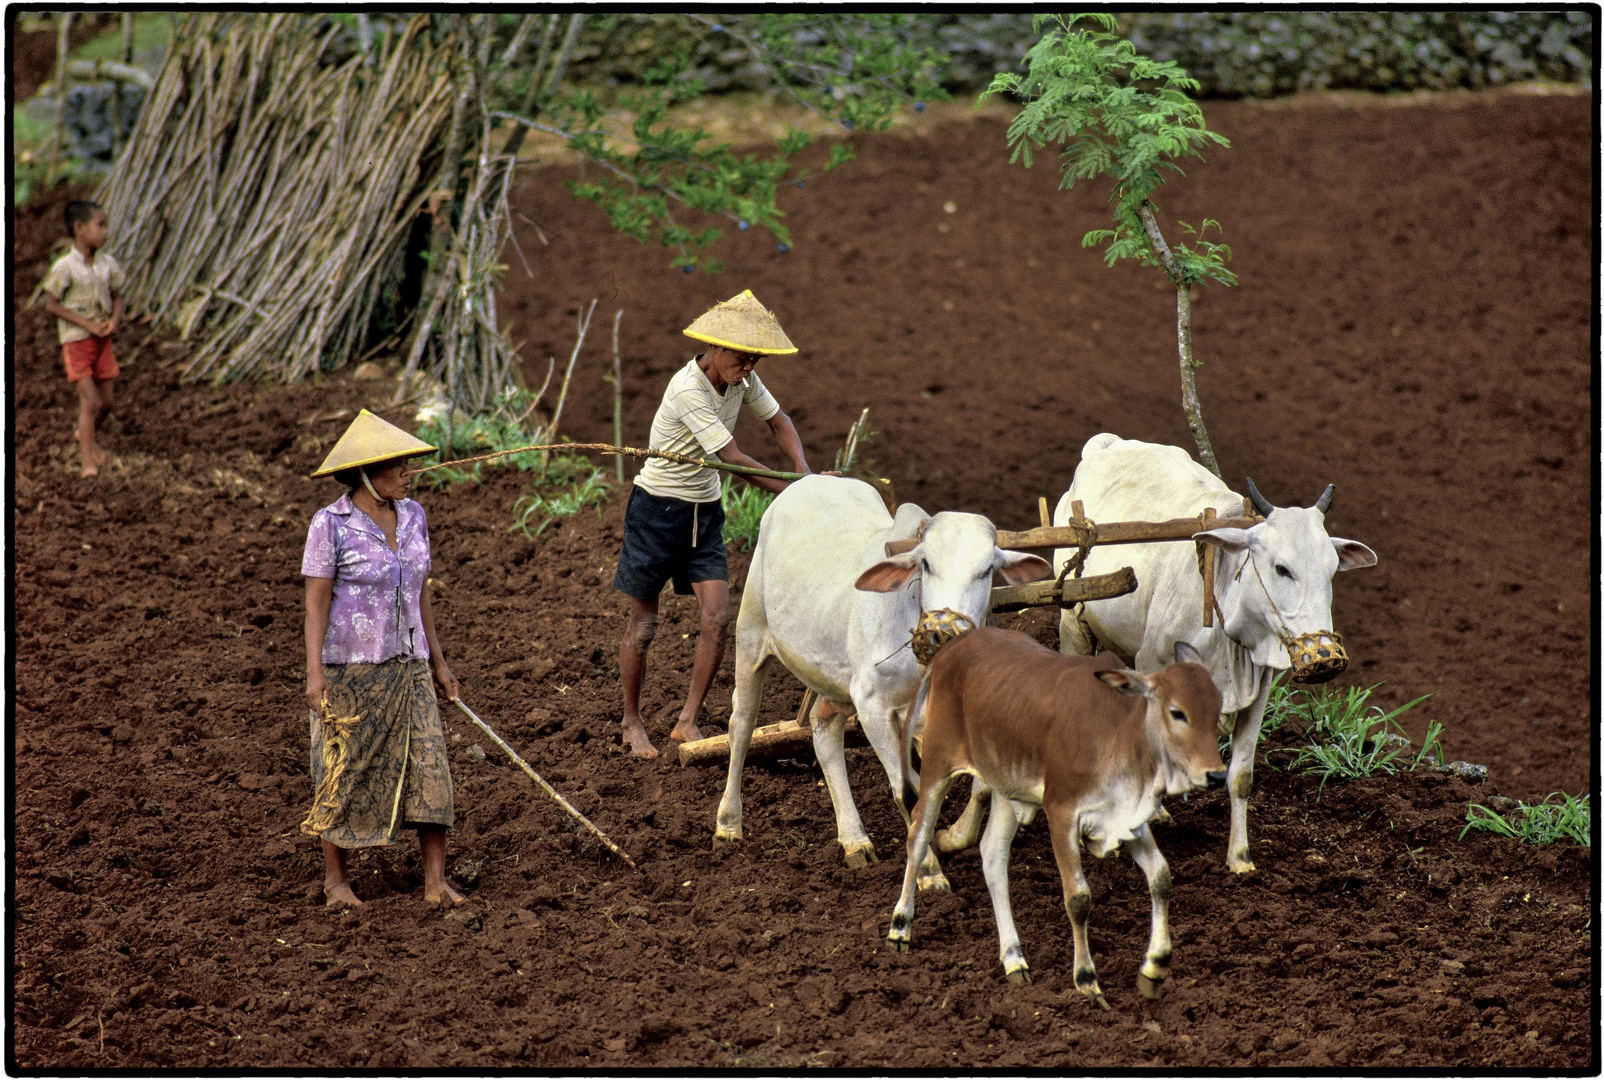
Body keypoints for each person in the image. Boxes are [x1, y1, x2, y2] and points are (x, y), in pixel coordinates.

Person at [614, 290, 827, 759]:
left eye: (754, 358)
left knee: (716, 618)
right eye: (739, 356)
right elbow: (730, 457)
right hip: (657, 511)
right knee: (645, 622)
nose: (747, 366)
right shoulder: (688, 390)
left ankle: (686, 721)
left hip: (703, 514)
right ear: (713, 347)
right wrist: (798, 491)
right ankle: (631, 721)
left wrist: (804, 472)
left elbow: (780, 421)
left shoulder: (744, 381)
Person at [301, 410, 463, 907]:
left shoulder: (414, 516)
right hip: (352, 667)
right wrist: (314, 672)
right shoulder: (330, 525)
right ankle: (337, 883)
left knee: (430, 766)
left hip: (409, 664)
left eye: (408, 465)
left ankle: (435, 882)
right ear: (367, 475)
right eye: (398, 466)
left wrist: (438, 661)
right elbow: (316, 603)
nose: (408, 473)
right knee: (344, 769)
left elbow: (421, 593)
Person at [42, 200, 125, 478]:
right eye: (99, 225)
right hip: (77, 341)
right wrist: (86, 323)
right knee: (89, 401)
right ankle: (88, 461)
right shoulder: (65, 267)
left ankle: (84, 433)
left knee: (107, 404)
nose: (105, 232)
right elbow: (52, 305)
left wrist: (113, 321)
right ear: (79, 228)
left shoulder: (107, 264)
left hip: (102, 340)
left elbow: (117, 297)